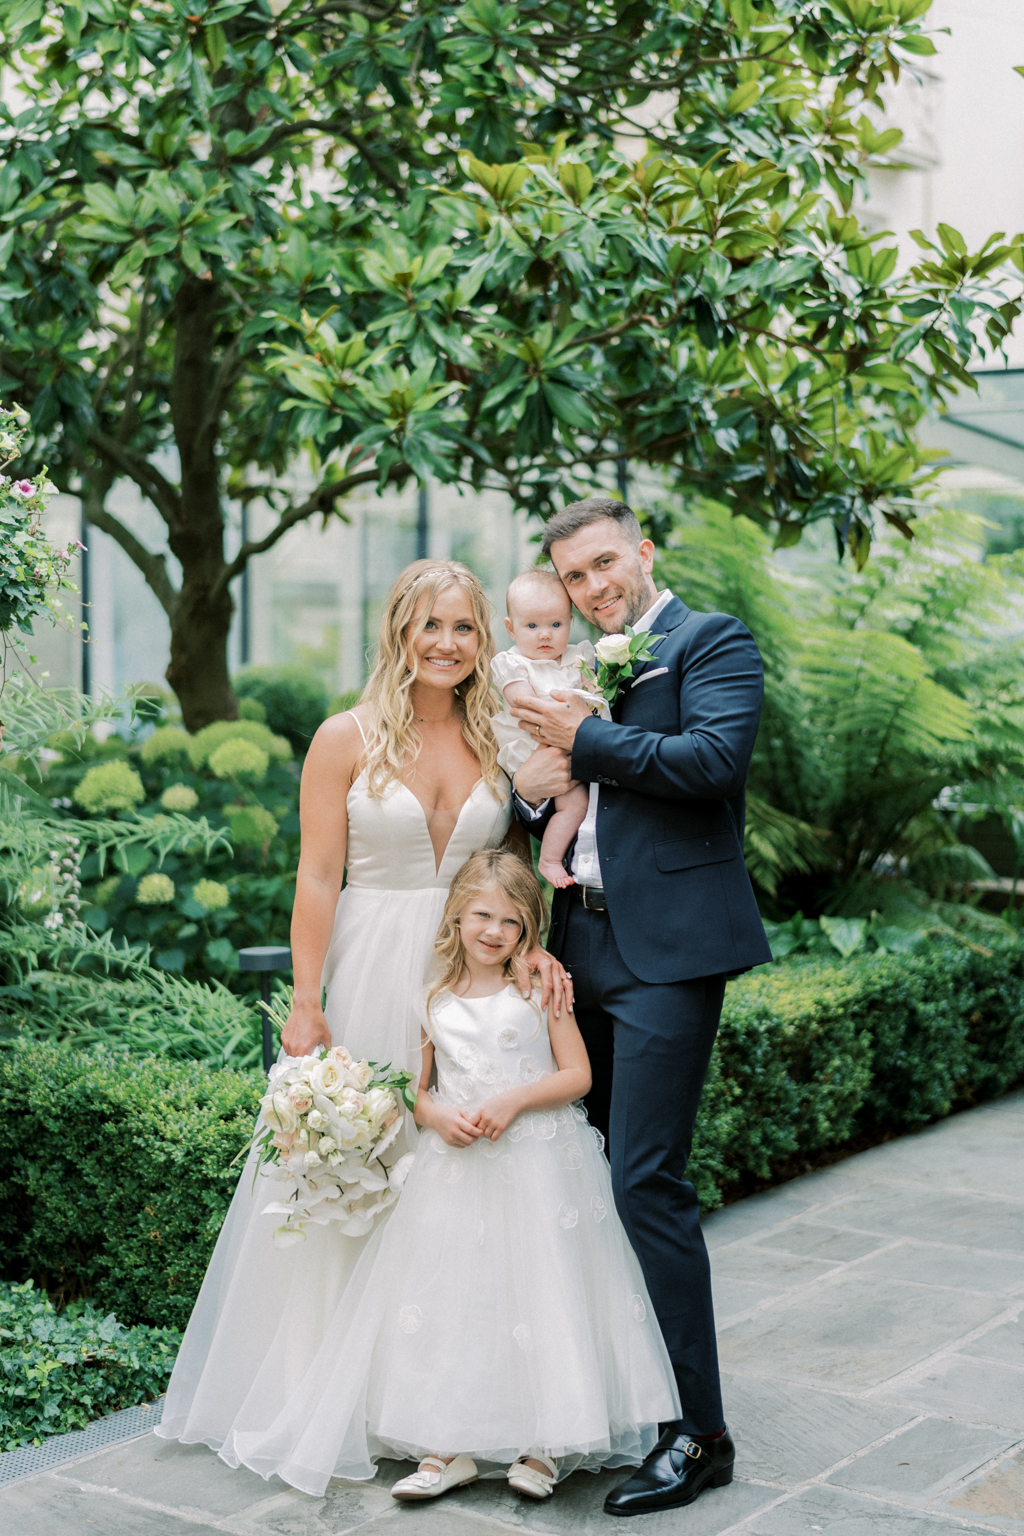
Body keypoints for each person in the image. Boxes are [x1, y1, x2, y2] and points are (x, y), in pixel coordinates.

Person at [157, 559, 571, 1480]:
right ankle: (345, 1392)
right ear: (397, 630)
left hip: (469, 973)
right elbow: (316, 876)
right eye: (430, 625)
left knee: (463, 1184)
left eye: (465, 627)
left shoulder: (498, 738)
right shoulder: (343, 738)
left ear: (482, 640)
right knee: (365, 1164)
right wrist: (306, 1003)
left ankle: (454, 1399)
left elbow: (511, 866)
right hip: (372, 964)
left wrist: (534, 943)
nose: (447, 644)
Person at [227, 848, 678, 1500]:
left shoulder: (538, 988)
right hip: (456, 1168)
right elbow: (421, 1088)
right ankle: (448, 1446)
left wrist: (513, 1100)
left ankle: (543, 1444)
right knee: (454, 1297)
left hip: (538, 1162)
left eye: (512, 923)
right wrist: (434, 1116)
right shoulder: (432, 995)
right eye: (482, 916)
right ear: (457, 916)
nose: (495, 932)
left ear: (530, 930)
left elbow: (577, 1075)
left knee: (539, 1291)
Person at [510, 498, 772, 1517]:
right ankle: (614, 1396)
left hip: (668, 954)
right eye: (574, 577)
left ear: (643, 552)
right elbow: (550, 792)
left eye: (604, 564)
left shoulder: (709, 640)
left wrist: (589, 734)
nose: (592, 587)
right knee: (581, 1169)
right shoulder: (568, 664)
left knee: (645, 1181)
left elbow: (711, 764)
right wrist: (537, 786)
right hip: (580, 940)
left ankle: (699, 1435)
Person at [490, 568, 608, 888]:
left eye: (556, 625)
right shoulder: (513, 663)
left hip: (574, 743)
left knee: (579, 804)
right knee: (572, 798)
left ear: (570, 622)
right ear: (511, 629)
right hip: (534, 745)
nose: (545, 635)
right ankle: (550, 858)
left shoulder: (577, 656)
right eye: (532, 626)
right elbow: (522, 703)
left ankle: (557, 856)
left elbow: (594, 692)